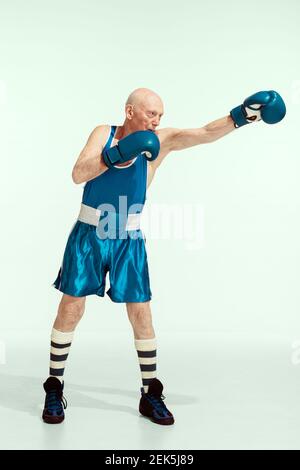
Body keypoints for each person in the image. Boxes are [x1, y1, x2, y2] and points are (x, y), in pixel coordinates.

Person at [42, 87, 286, 425]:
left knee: (141, 312)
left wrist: (243, 116)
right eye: (150, 114)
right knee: (71, 307)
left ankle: (150, 393)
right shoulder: (105, 133)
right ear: (130, 111)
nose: (156, 121)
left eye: (160, 116)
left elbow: (202, 134)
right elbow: (78, 174)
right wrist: (115, 154)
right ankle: (54, 385)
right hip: (90, 232)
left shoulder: (161, 141)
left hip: (128, 235)